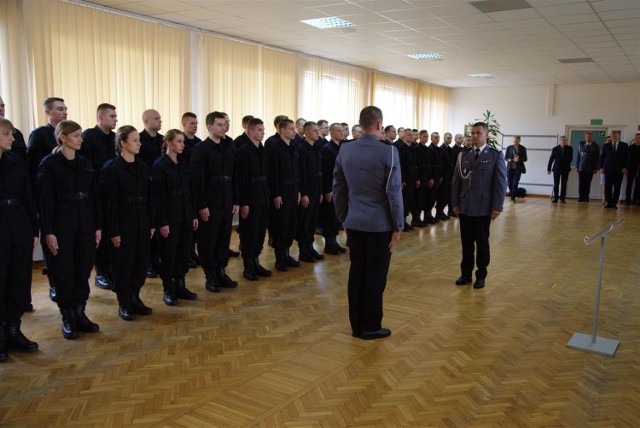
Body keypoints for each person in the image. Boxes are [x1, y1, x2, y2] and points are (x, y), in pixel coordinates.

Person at [333, 106, 403, 341]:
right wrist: (398, 226)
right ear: (380, 125)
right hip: (380, 224)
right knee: (375, 276)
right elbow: (393, 193)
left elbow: (339, 188)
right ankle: (371, 325)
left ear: (360, 125)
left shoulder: (346, 149)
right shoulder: (389, 151)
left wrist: (343, 217)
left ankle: (356, 325)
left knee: (357, 273)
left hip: (354, 221)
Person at [37, 120, 102, 339]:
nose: (80, 139)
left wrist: (98, 226)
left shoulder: (85, 163)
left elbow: (94, 198)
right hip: (62, 224)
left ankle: (80, 313)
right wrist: (48, 231)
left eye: (81, 135)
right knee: (64, 271)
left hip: (85, 223)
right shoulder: (50, 164)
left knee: (83, 268)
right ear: (63, 137)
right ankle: (68, 317)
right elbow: (44, 201)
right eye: (76, 135)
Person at [100, 125, 154, 321]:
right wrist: (113, 231)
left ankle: (134, 297)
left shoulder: (143, 166)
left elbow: (149, 198)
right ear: (123, 143)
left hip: (142, 220)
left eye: (139, 139)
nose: (139, 143)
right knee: (123, 264)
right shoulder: (111, 169)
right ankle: (124, 301)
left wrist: (152, 223)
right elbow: (109, 204)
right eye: (134, 140)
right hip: (122, 223)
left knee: (140, 263)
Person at [0, 118, 39, 361]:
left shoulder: (15, 161)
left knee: (18, 280)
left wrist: (33, 230)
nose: (12, 139)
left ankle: (14, 330)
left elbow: (28, 197)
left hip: (19, 226)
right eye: (6, 134)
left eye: (12, 134)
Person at [452, 122, 507, 289]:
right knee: (466, 243)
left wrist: (497, 206)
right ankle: (465, 274)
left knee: (482, 243)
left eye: (478, 133)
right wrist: (455, 202)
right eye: (473, 133)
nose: (474, 136)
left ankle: (481, 275)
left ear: (486, 135)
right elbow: (456, 181)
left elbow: (500, 183)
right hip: (465, 207)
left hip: (483, 208)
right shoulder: (464, 155)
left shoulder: (495, 155)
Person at [191, 111, 239, 292]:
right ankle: (210, 275)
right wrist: (201, 205)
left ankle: (221, 271)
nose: (224, 127)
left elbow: (233, 176)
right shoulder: (201, 149)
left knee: (223, 238)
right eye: (219, 124)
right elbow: (197, 181)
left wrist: (235, 199)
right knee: (208, 240)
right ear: (209, 126)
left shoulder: (228, 147)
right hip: (210, 202)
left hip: (226, 200)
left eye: (224, 124)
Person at [151, 130, 199, 305]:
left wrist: (193, 214)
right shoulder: (160, 165)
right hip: (169, 217)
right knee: (169, 254)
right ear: (169, 143)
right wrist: (161, 222)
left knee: (184, 252)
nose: (182, 145)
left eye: (183, 142)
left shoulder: (183, 163)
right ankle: (168, 289)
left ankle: (180, 285)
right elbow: (157, 197)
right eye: (179, 141)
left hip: (185, 214)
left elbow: (190, 191)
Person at [80, 103, 118, 291]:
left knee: (113, 232)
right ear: (101, 118)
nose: (115, 119)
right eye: (112, 116)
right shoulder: (89, 137)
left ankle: (111, 269)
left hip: (114, 193)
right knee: (101, 236)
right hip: (97, 193)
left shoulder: (116, 138)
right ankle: (101, 273)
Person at [234, 118, 272, 281]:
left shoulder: (261, 149)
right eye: (259, 130)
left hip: (263, 196)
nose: (262, 132)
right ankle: (248, 265)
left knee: (260, 231)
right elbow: (240, 180)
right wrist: (243, 203)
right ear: (250, 131)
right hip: (250, 198)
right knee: (250, 232)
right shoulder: (243, 150)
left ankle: (256, 261)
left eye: (263, 130)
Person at [267, 118, 301, 271]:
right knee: (281, 225)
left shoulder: (294, 146)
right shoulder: (274, 147)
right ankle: (280, 257)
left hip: (294, 192)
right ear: (281, 130)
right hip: (281, 193)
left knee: (292, 225)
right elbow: (273, 174)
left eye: (294, 128)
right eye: (290, 129)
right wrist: (276, 194)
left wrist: (299, 191)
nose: (294, 131)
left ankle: (287, 254)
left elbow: (297, 171)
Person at [296, 121, 324, 263]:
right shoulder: (301, 149)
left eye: (318, 130)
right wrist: (304, 194)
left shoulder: (316, 148)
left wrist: (320, 192)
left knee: (312, 222)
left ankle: (310, 247)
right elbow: (302, 174)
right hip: (307, 192)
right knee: (305, 223)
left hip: (315, 191)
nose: (317, 133)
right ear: (306, 132)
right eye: (314, 131)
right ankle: (303, 251)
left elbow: (318, 172)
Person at [320, 123, 345, 255]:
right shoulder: (327, 149)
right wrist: (327, 190)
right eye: (338, 131)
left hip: (340, 187)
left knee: (336, 216)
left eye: (342, 131)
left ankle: (334, 242)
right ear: (331, 133)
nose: (342, 133)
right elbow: (326, 172)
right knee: (329, 216)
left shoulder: (342, 147)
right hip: (331, 188)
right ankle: (329, 244)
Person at [599, 131, 629, 209]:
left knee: (617, 187)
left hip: (619, 170)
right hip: (608, 170)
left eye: (616, 136)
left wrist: (625, 167)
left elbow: (627, 158)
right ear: (611, 137)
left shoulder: (624, 145)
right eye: (613, 136)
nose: (614, 137)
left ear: (619, 136)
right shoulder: (606, 146)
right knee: (608, 187)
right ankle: (609, 203)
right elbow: (602, 157)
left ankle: (614, 203)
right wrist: (601, 167)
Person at [411, 130, 431, 227]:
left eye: (427, 136)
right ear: (419, 137)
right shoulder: (416, 148)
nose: (426, 138)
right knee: (418, 199)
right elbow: (416, 164)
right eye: (424, 136)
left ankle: (420, 217)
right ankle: (415, 218)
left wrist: (430, 177)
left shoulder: (426, 148)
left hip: (426, 177)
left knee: (423, 198)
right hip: (420, 177)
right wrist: (417, 178)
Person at [398, 128, 417, 230]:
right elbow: (401, 166)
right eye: (409, 135)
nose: (411, 136)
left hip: (412, 178)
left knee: (409, 201)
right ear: (404, 136)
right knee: (404, 201)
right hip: (405, 180)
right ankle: (402, 222)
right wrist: (402, 180)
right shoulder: (401, 149)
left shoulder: (412, 148)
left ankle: (405, 221)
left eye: (412, 135)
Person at [547, 136, 573, 203]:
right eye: (563, 140)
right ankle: (555, 198)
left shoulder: (570, 148)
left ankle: (562, 198)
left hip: (565, 168)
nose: (564, 141)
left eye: (565, 140)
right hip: (556, 168)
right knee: (556, 184)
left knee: (564, 184)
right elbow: (551, 159)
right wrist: (549, 169)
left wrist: (566, 164)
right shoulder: (555, 149)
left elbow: (571, 158)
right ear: (560, 141)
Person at [0, 96, 27, 161]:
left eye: (2, 106)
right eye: (6, 133)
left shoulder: (16, 133)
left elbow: (23, 161)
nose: (1, 109)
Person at [576, 130, 600, 202]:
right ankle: (581, 196)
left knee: (588, 183)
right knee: (581, 183)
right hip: (581, 167)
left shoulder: (595, 146)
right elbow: (578, 156)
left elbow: (597, 157)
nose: (588, 138)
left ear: (592, 138)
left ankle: (586, 197)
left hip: (590, 168)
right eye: (587, 137)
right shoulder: (581, 144)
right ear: (585, 137)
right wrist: (577, 166)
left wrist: (596, 167)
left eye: (590, 137)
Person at [436, 132, 453, 220]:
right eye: (447, 138)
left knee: (447, 195)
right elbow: (441, 164)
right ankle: (438, 212)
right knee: (442, 194)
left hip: (449, 175)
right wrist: (441, 176)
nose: (449, 139)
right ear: (444, 138)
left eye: (450, 138)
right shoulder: (441, 149)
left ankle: (442, 211)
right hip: (443, 175)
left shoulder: (450, 149)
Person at [505, 136, 527, 203]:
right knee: (509, 183)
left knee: (515, 183)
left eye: (517, 141)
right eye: (514, 141)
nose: (515, 143)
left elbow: (525, 158)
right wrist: (508, 159)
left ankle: (513, 198)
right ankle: (513, 194)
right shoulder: (509, 148)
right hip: (510, 168)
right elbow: (505, 157)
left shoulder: (523, 148)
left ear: (519, 141)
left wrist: (519, 160)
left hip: (518, 169)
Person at [625, 133, 640, 205]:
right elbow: (626, 159)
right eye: (636, 138)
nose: (638, 139)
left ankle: (636, 199)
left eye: (639, 138)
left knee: (638, 185)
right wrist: (626, 168)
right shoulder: (629, 148)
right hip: (630, 169)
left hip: (639, 169)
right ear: (634, 139)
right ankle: (627, 198)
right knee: (629, 184)